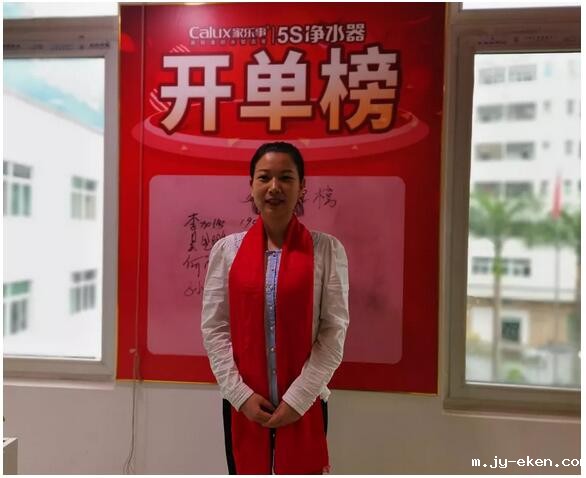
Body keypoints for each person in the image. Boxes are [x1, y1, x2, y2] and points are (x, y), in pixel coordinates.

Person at [201, 141, 349, 474]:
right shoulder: (227, 251)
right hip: (243, 405)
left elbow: (333, 331)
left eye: (286, 177)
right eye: (264, 177)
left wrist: (298, 399)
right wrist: (240, 395)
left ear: (302, 186)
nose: (274, 187)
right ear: (251, 185)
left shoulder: (326, 251)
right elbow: (215, 328)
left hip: (305, 404)